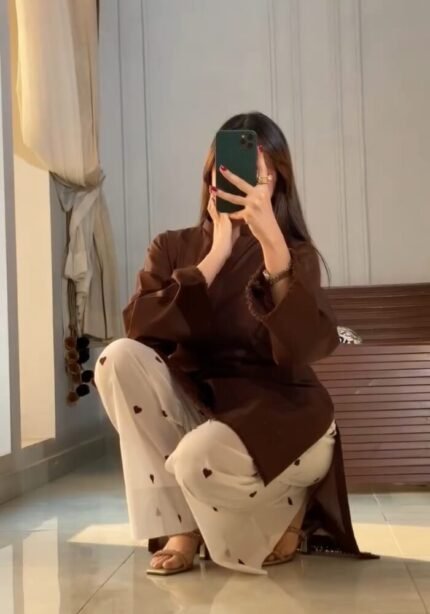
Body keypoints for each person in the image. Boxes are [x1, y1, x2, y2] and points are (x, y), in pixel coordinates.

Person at [95, 111, 376, 576]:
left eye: (257, 172)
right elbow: (140, 329)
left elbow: (299, 351)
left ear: (277, 182)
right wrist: (214, 257)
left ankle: (290, 506)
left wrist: (274, 251)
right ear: (211, 177)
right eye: (225, 169)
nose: (239, 180)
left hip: (282, 412)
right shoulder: (171, 246)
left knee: (196, 462)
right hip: (199, 407)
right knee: (117, 358)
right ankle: (183, 529)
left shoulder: (296, 255)